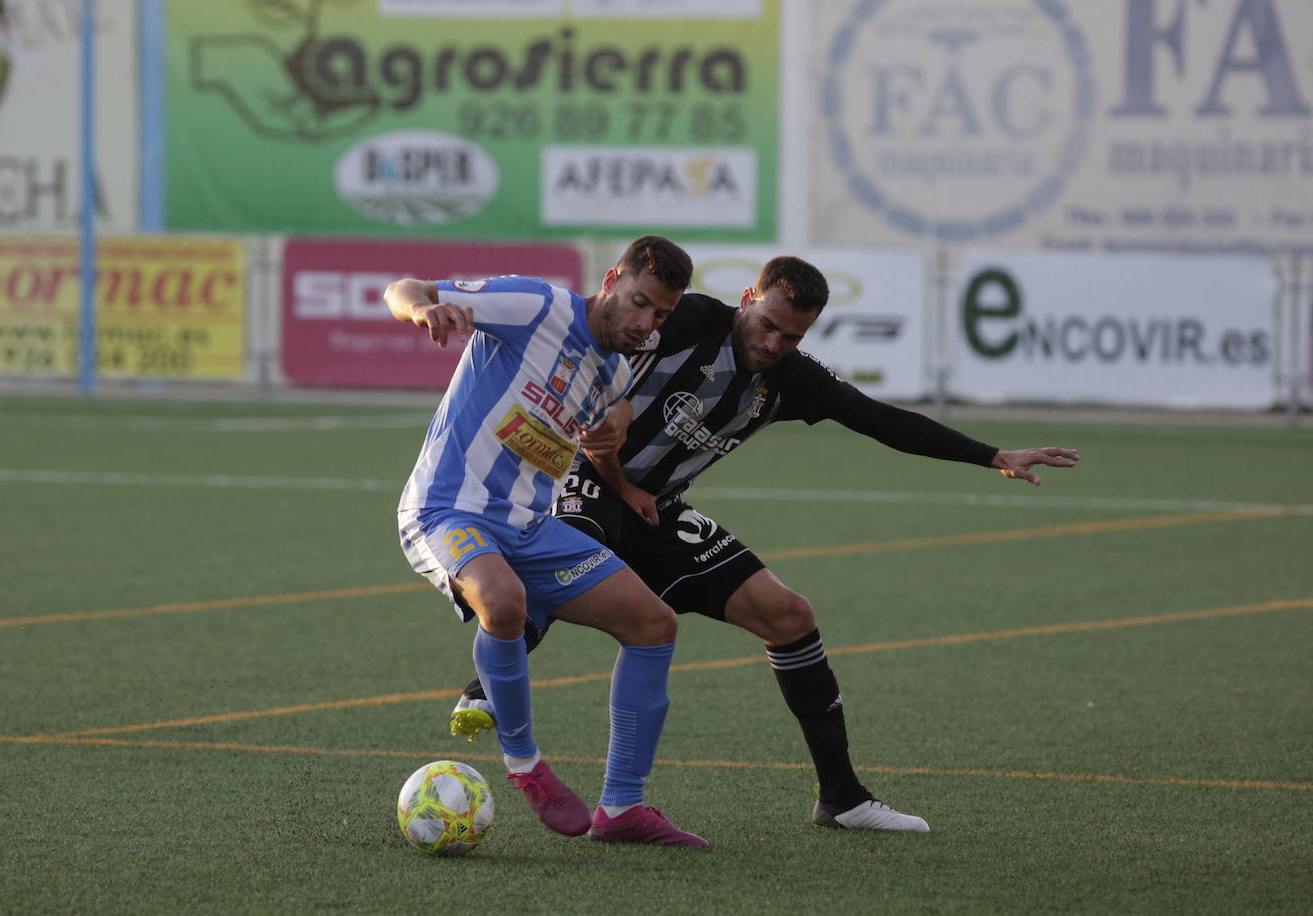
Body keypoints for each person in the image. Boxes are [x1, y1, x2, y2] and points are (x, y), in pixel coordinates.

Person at [449, 255, 1080, 833]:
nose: (773, 343)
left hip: (657, 511)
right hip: (584, 480)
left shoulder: (791, 379)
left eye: (792, 336)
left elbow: (882, 420)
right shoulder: (690, 317)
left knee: (790, 615)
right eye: (768, 324)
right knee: (575, 546)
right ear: (748, 297)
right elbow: (602, 365)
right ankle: (484, 689)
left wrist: (992, 453)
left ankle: (842, 797)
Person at [386, 235, 708, 846]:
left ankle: (622, 809)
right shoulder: (536, 306)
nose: (646, 323)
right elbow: (405, 290)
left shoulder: (614, 366)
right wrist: (423, 309)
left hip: (530, 525)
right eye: (639, 303)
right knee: (505, 603)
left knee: (655, 625)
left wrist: (619, 440)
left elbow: (613, 410)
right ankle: (526, 768)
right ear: (612, 278)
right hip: (447, 509)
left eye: (660, 315)